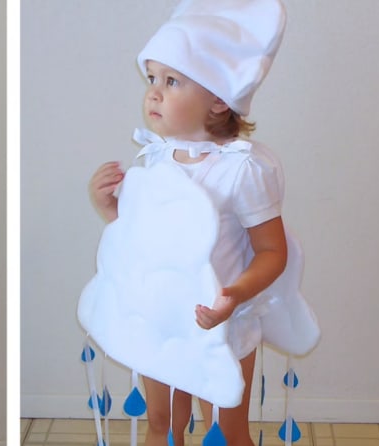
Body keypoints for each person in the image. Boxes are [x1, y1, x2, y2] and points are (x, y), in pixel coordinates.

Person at [89, 1, 288, 445]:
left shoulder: (242, 169)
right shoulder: (155, 158)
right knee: (162, 423)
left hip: (220, 321)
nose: (154, 93)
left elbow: (273, 251)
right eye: (152, 79)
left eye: (172, 80)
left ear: (219, 99)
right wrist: (111, 212)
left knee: (227, 427)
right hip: (160, 317)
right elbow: (144, 239)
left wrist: (233, 296)